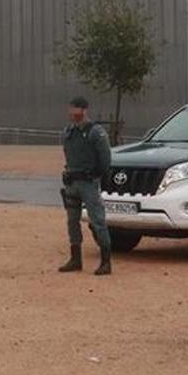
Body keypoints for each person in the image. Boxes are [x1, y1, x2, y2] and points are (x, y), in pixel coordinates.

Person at [58, 96, 113, 275]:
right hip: (72, 182)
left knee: (97, 220)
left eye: (75, 109)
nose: (72, 113)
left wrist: (98, 176)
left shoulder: (96, 132)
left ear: (84, 110)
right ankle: (75, 259)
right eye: (70, 109)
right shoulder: (69, 131)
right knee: (72, 221)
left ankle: (106, 261)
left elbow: (105, 159)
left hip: (89, 182)